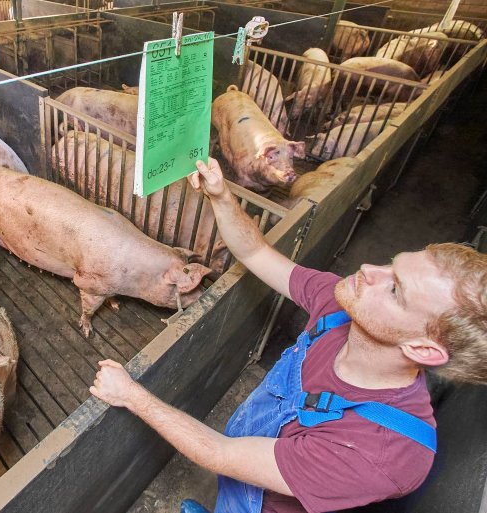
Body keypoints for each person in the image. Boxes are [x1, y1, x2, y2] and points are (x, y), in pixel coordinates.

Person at [89, 157, 487, 513]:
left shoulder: (382, 453)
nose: (369, 269)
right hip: (239, 463)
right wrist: (222, 196)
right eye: (391, 265)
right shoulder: (341, 307)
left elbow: (219, 453)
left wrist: (130, 395)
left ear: (422, 349)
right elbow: (256, 253)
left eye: (395, 289)